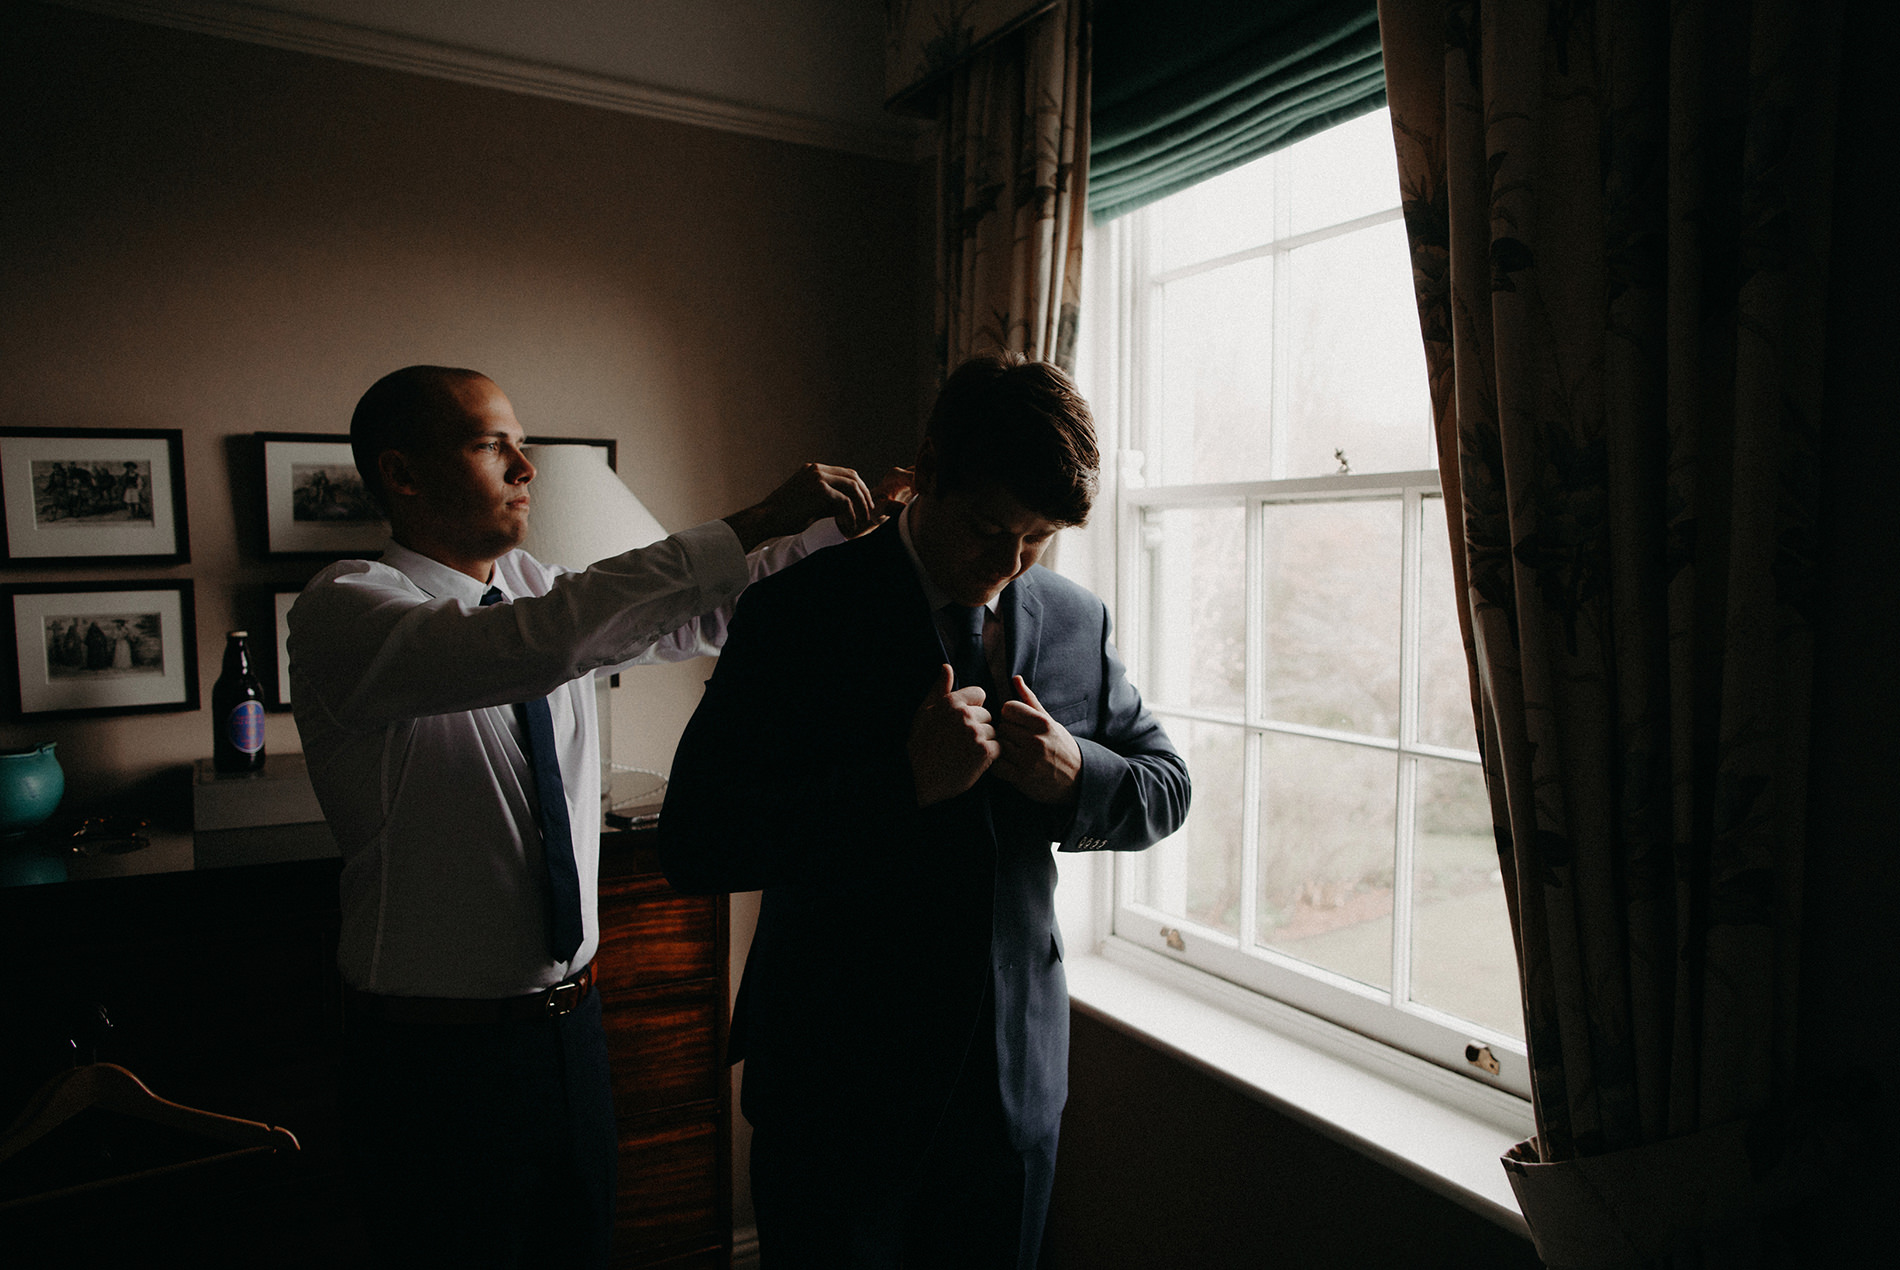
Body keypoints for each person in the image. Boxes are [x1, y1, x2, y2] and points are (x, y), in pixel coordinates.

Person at [287, 364, 896, 1269]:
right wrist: (750, 521)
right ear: (403, 475)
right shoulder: (348, 610)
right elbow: (542, 642)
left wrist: (858, 536)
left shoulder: (536, 585)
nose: (525, 466)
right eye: (494, 446)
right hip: (432, 1062)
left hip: (572, 1033)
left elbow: (710, 614)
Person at [658, 352, 1192, 1268]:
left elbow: (1165, 788)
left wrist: (1076, 775)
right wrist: (896, 784)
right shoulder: (794, 612)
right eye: (990, 528)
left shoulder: (1073, 620)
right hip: (836, 1081)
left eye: (1037, 541)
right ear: (932, 470)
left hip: (1012, 1082)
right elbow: (697, 839)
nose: (1008, 564)